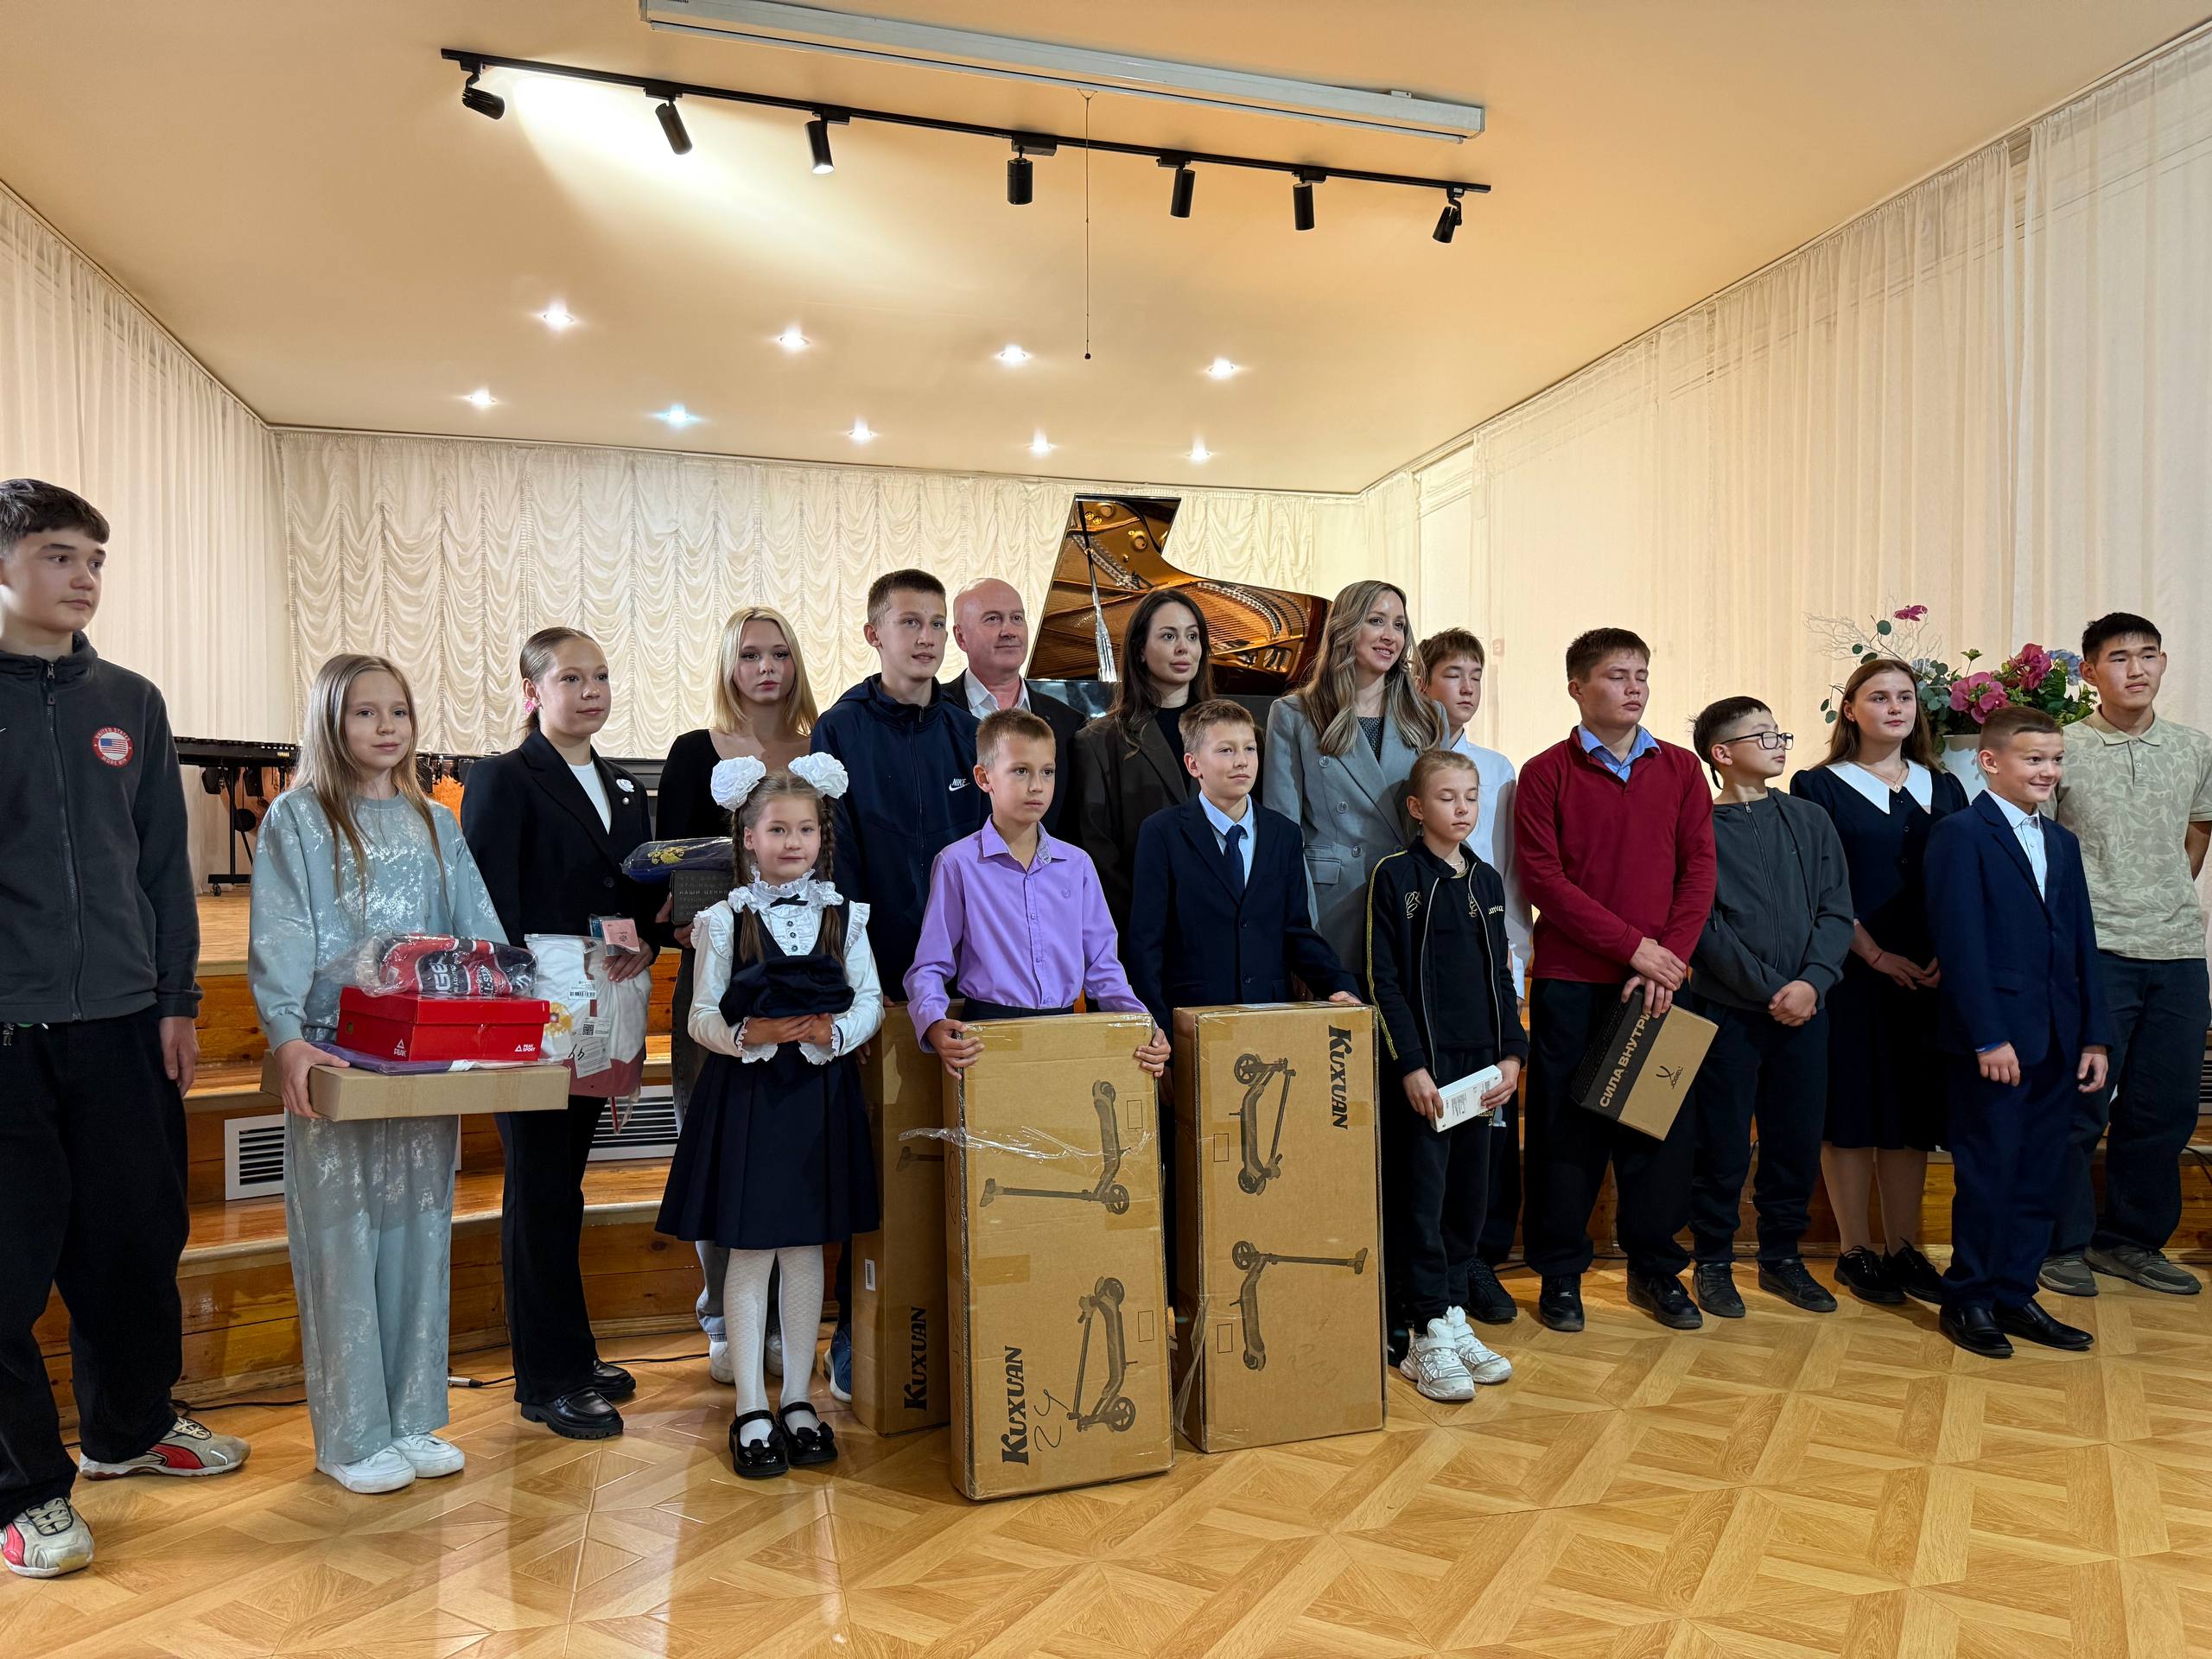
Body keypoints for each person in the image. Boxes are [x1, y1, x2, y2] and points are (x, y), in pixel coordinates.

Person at [0, 480, 247, 1580]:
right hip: (8, 1034)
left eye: (95, 557)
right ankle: (23, 1490)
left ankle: (130, 1428)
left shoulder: (131, 701)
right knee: (7, 1271)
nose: (85, 576)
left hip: (122, 1025)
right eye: (59, 555)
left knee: (137, 1243)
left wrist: (177, 999)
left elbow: (161, 867)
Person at [251, 654, 506, 1493]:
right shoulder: (297, 818)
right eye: (365, 712)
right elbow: (281, 933)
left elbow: (475, 932)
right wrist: (287, 1034)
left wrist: (502, 1011)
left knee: (419, 1230)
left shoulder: (437, 823)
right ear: (331, 720)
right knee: (341, 1238)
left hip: (423, 1055)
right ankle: (351, 1433)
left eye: (397, 710)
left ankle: (410, 1416)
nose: (386, 726)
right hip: (335, 1054)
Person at [655, 755, 883, 1478]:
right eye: (778, 830)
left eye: (806, 829)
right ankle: (751, 1404)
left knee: (807, 1248)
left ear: (822, 836)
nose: (793, 842)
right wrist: (746, 1033)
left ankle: (798, 1401)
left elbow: (870, 1000)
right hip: (750, 1098)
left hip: (818, 1096)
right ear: (748, 837)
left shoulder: (845, 916)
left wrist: (834, 1032)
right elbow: (700, 1015)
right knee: (752, 1251)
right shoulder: (724, 921)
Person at [461, 627, 660, 1440]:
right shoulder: (503, 778)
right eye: (572, 678)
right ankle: (546, 1379)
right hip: (536, 1018)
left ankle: (572, 1352)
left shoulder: (627, 788)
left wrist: (649, 942)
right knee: (540, 1189)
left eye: (601, 676)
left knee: (566, 1186)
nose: (591, 691)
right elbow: (488, 908)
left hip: (601, 1014)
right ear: (531, 691)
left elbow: (638, 895)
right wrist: (514, 1012)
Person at [807, 568, 984, 1402]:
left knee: (961, 1161)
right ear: (873, 633)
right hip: (877, 984)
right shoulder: (838, 729)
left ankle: (960, 1330)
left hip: (966, 983)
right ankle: (857, 1335)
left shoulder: (966, 732)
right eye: (910, 623)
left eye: (937, 624)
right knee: (879, 1164)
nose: (927, 638)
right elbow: (832, 864)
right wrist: (859, 982)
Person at [1512, 627, 1715, 1334]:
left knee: (1658, 1135)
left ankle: (1656, 1271)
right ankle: (1560, 1276)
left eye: (1642, 675)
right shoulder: (1545, 772)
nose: (1634, 687)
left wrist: (1669, 960)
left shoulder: (1682, 768)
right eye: (1617, 675)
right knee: (1564, 1136)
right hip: (1573, 979)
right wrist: (1637, 950)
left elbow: (1699, 871)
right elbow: (1544, 880)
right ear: (1578, 687)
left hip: (1661, 984)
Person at [656, 606, 817, 1384]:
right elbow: (666, 869)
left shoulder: (824, 748)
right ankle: (724, 1316)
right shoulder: (694, 753)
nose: (766, 669)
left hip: (807, 973)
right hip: (720, 975)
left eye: (779, 654)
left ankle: (788, 1321)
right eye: (750, 655)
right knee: (718, 1141)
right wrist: (684, 924)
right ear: (728, 665)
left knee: (795, 1147)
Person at [1924, 705, 2111, 1358]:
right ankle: (1968, 1296)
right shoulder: (1959, 835)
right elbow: (1961, 943)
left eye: (2056, 759)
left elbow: (2082, 941)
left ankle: (2014, 1291)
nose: (2048, 771)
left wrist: (2095, 1035)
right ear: (1989, 761)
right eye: (2034, 759)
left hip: (2060, 1036)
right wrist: (1987, 1035)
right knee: (1989, 1172)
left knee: (2040, 1174)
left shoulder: (2060, 841)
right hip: (1997, 1040)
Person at [2043, 613, 2212, 1298]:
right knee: (2077, 1103)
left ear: (2164, 663)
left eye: (2148, 655)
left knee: (2163, 1108)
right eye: (2118, 658)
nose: (2136, 669)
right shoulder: (2062, 747)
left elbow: (2198, 830)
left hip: (2177, 950)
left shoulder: (2194, 746)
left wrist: (2160, 894)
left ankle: (2131, 1243)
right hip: (2094, 950)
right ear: (2089, 673)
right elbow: (2038, 842)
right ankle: (2059, 1243)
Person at [1789, 658, 1967, 1306]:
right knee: (1853, 1109)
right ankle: (1854, 1250)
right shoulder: (1818, 785)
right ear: (1850, 710)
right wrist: (1872, 952)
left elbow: (1962, 878)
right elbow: (1817, 884)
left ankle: (1904, 1248)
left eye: (1905, 697)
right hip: (1850, 972)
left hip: (1928, 974)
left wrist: (1949, 951)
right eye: (1879, 697)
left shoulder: (1944, 786)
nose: (1895, 708)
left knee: (1911, 1113)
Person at [1679, 697, 1853, 1319]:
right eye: (1763, 735)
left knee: (1795, 1141)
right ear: (1722, 754)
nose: (1779, 743)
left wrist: (1811, 983)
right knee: (1722, 1144)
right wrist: (1767, 989)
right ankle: (1713, 1261)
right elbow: (1702, 923)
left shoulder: (1809, 818)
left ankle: (1782, 1258)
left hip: (1806, 1011)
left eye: (1780, 733)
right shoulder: (1698, 824)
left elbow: (1836, 909)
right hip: (1728, 1011)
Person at [1364, 749, 1525, 1400]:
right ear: (1416, 807)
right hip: (1428, 1075)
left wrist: (1512, 1056)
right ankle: (1422, 1329)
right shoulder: (1396, 876)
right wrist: (1411, 1066)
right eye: (1447, 797)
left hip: (1481, 1075)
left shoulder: (1486, 881)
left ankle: (1454, 1316)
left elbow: (1502, 978)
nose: (1462, 809)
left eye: (1471, 797)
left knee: (1467, 1200)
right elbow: (1384, 982)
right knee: (1422, 1201)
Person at [906, 709, 1170, 1082]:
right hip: (987, 1039)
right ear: (984, 778)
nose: (1037, 786)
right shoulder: (958, 864)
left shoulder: (1077, 865)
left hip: (1066, 1034)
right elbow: (930, 965)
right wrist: (933, 1021)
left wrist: (1144, 1025)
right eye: (1020, 771)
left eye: (1047, 772)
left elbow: (1104, 967)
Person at [1418, 626, 1531, 1323]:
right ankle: (1427, 1275)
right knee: (1431, 1137)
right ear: (1421, 684)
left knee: (1490, 1123)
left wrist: (1516, 961)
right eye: (1453, 674)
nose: (1467, 687)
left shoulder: (1497, 766)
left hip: (1490, 967)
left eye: (1476, 676)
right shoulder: (1404, 761)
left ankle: (1480, 1261)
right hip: (1427, 973)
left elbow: (1508, 876)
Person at [1124, 699, 1361, 1027]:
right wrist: (1155, 1025)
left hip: (1269, 1014)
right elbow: (1146, 942)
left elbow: (1296, 930)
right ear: (1194, 765)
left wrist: (1339, 985)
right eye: (1226, 750)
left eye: (1249, 749)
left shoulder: (1284, 834)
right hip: (1194, 1018)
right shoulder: (1162, 832)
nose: (1242, 761)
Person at [1264, 581, 1447, 974]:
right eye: (1376, 621)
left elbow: (1444, 825)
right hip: (1332, 905)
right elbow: (1284, 834)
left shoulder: (1429, 717)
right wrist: (1300, 937)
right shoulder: (1295, 714)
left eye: (1399, 625)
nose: (1390, 636)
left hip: (1412, 901)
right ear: (1346, 628)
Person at [1075, 589, 1213, 928]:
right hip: (1140, 924)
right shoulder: (1098, 741)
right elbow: (1098, 854)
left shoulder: (1237, 735)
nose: (1183, 648)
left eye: (1192, 636)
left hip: (1222, 925)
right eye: (1169, 636)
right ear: (1139, 650)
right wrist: (1145, 920)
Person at [947, 576, 1084, 845]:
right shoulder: (931, 713)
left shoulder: (1069, 723)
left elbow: (1073, 826)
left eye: (1017, 618)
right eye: (993, 619)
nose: (1009, 630)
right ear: (961, 637)